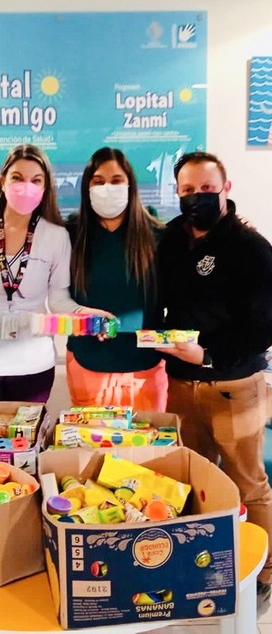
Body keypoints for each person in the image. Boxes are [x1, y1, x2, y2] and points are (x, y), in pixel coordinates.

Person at [157, 151, 272, 601]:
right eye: (188, 190)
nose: (197, 198)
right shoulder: (170, 240)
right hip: (180, 385)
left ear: (225, 189)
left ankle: (264, 573)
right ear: (177, 193)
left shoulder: (251, 248)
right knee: (194, 481)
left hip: (234, 386)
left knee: (248, 483)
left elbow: (264, 327)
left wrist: (209, 354)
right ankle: (202, 563)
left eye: (206, 189)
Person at [0, 144, 106, 403]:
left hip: (33, 365)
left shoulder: (56, 236)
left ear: (45, 188)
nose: (26, 187)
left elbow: (58, 301)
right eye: (17, 178)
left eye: (36, 180)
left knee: (29, 431)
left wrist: (88, 315)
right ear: (3, 181)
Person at [66, 147, 167, 411]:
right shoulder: (71, 233)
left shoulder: (158, 234)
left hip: (145, 365)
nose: (107, 188)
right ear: (87, 188)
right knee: (90, 438)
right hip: (88, 361)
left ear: (130, 185)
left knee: (147, 438)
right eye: (98, 181)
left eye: (116, 180)